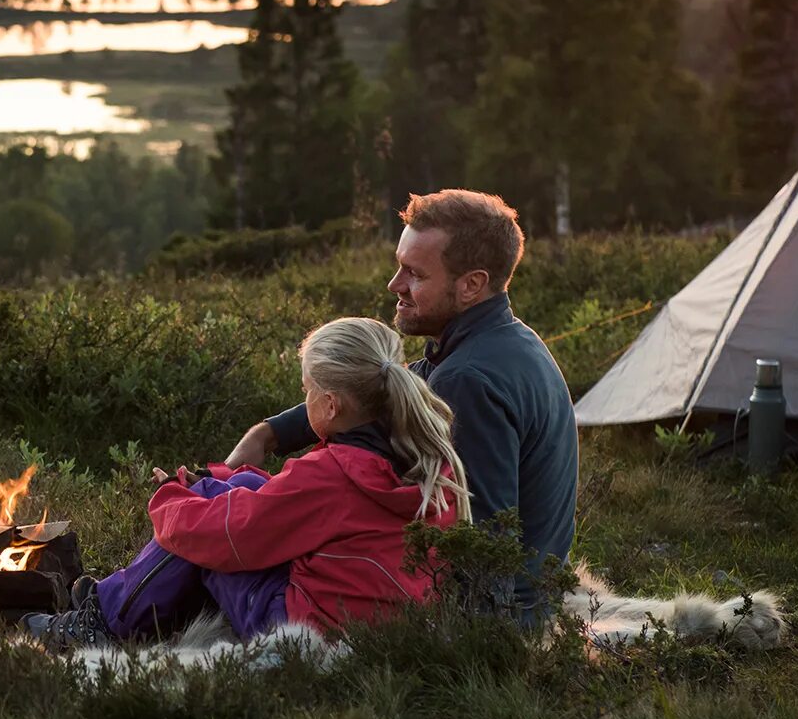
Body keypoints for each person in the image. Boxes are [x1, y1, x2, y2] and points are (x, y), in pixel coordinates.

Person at [224, 189, 578, 623]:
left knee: (239, 557)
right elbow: (390, 385)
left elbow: (484, 536)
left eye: (414, 274)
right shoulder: (502, 342)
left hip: (491, 616)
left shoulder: (466, 380)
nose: (395, 285)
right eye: (399, 266)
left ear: (472, 284)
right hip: (525, 599)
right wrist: (271, 433)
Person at [25, 317, 470, 648]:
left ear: (331, 405)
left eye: (307, 390)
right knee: (217, 493)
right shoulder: (430, 458)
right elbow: (286, 504)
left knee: (198, 522)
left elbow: (225, 536)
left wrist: (169, 497)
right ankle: (111, 600)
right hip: (384, 622)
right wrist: (221, 479)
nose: (305, 399)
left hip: (306, 629)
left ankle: (101, 622)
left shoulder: (330, 474)